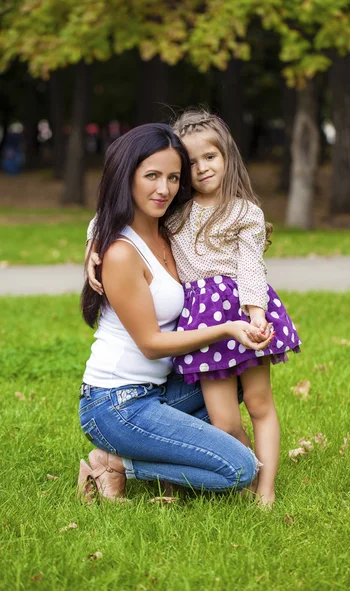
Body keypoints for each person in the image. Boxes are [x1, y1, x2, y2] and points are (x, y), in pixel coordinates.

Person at [86, 110, 301, 506]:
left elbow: (251, 262)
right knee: (229, 445)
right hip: (137, 386)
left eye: (173, 176)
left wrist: (254, 312)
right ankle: (117, 461)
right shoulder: (155, 226)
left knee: (251, 393)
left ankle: (257, 485)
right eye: (188, 164)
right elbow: (112, 213)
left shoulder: (213, 215)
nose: (168, 186)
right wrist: (95, 244)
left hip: (203, 348)